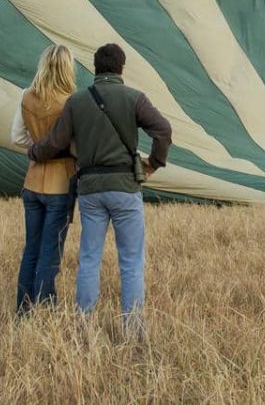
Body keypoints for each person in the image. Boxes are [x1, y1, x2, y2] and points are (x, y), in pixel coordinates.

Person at [29, 43, 172, 332]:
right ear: (122, 68)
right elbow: (163, 130)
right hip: (125, 187)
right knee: (131, 261)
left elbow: (55, 142)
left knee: (89, 259)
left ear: (94, 68)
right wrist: (154, 163)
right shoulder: (135, 98)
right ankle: (132, 328)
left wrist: (34, 152)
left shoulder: (77, 101)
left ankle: (83, 325)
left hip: (91, 190)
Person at [10, 44, 77, 313]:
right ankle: (44, 311)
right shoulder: (71, 102)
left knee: (32, 249)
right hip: (60, 184)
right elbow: (75, 145)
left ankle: (23, 310)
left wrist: (38, 144)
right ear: (66, 68)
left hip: (32, 182)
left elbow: (16, 136)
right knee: (50, 253)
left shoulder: (27, 96)